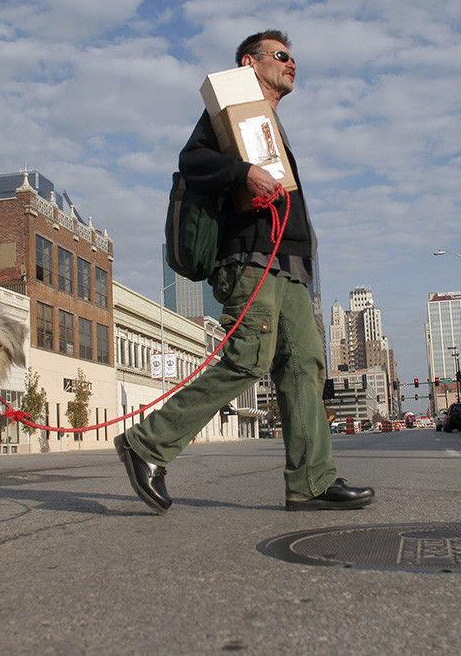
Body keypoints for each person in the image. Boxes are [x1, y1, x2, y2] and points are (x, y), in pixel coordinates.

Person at [115, 30, 374, 513]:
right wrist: (240, 172)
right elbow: (190, 161)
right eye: (281, 56)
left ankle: (312, 482)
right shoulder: (229, 110)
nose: (291, 63)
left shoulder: (269, 120)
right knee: (248, 359)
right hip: (252, 260)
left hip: (291, 266)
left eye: (294, 57)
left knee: (305, 368)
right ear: (248, 63)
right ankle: (146, 445)